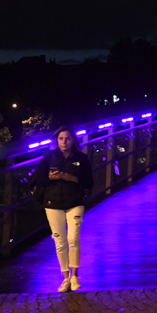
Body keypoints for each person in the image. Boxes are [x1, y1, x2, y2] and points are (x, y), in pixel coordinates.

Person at [32, 125, 94, 292]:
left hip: (75, 202)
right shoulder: (49, 157)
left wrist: (72, 178)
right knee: (60, 242)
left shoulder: (81, 158)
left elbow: (89, 182)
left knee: (73, 238)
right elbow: (37, 180)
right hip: (53, 203)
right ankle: (65, 277)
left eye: (67, 138)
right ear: (56, 141)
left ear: (73, 140)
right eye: (60, 139)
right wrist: (49, 178)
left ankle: (75, 276)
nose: (64, 142)